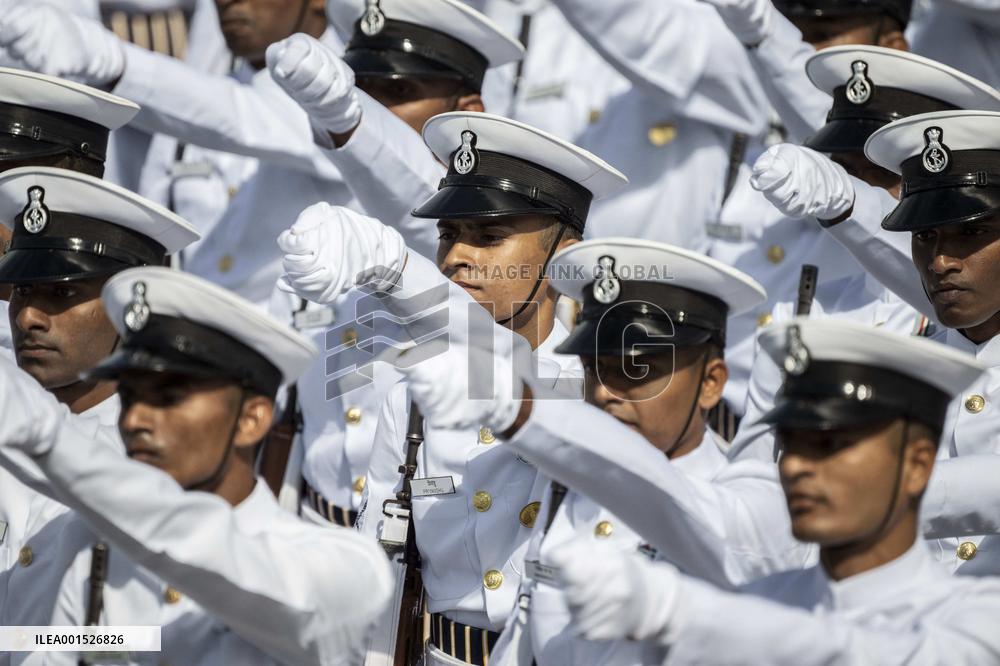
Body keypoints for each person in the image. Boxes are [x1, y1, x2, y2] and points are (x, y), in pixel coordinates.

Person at [276, 111, 626, 665]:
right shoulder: (409, 396)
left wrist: (395, 272)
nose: (456, 257)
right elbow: (386, 568)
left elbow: (512, 374)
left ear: (561, 260)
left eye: (488, 237)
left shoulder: (598, 386)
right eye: (447, 235)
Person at [396, 238, 813, 665]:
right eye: (596, 369)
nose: (606, 392)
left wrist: (517, 407)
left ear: (712, 383)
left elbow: (668, 499)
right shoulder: (567, 494)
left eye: (638, 370)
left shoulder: (755, 504)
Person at [0, 266, 392, 664]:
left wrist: (49, 437)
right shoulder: (98, 561)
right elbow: (55, 648)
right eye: (132, 397)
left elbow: (215, 555)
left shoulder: (342, 569)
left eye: (169, 398)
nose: (136, 420)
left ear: (251, 418)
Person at [550, 318, 1000, 664]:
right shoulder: (756, 603)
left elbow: (863, 652)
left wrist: (681, 612)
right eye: (792, 442)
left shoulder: (977, 618)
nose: (799, 465)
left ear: (918, 464)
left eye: (828, 445)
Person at [728, 46, 1000, 460]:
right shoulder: (805, 312)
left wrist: (847, 201)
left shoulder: (943, 300)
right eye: (924, 232)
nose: (942, 260)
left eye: (878, 175)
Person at [0, 166, 199, 614]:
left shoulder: (164, 461)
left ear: (131, 311)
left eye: (62, 293)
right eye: (22, 290)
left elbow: (149, 643)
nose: (28, 316)